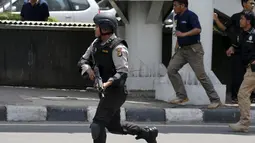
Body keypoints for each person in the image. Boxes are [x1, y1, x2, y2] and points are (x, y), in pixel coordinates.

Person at [77, 12, 158, 143]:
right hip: (104, 91)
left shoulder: (117, 47)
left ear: (104, 28)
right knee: (114, 127)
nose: (94, 29)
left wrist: (107, 84)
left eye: (96, 26)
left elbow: (122, 73)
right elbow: (82, 61)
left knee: (97, 125)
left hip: (115, 92)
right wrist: (88, 70)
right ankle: (147, 134)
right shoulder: (96, 44)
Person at [167, 0, 221, 109]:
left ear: (183, 6)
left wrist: (184, 35)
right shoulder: (177, 17)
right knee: (171, 70)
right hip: (182, 50)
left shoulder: (191, 15)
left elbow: (197, 29)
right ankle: (182, 96)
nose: (174, 7)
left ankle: (215, 100)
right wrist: (177, 45)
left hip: (194, 50)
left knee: (201, 75)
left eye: (175, 5)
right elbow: (178, 32)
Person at [213, 0, 255, 103]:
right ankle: (236, 97)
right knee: (238, 77)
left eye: (254, 3)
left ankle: (251, 97)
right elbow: (226, 30)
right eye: (251, 3)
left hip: (251, 53)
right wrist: (216, 19)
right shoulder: (236, 17)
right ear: (244, 3)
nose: (253, 5)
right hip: (239, 51)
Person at [228, 11, 255, 132]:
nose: (240, 21)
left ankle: (244, 123)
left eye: (242, 19)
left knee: (242, 94)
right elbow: (238, 45)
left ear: (248, 22)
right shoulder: (242, 34)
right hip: (248, 68)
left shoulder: (254, 34)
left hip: (253, 69)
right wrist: (232, 48)